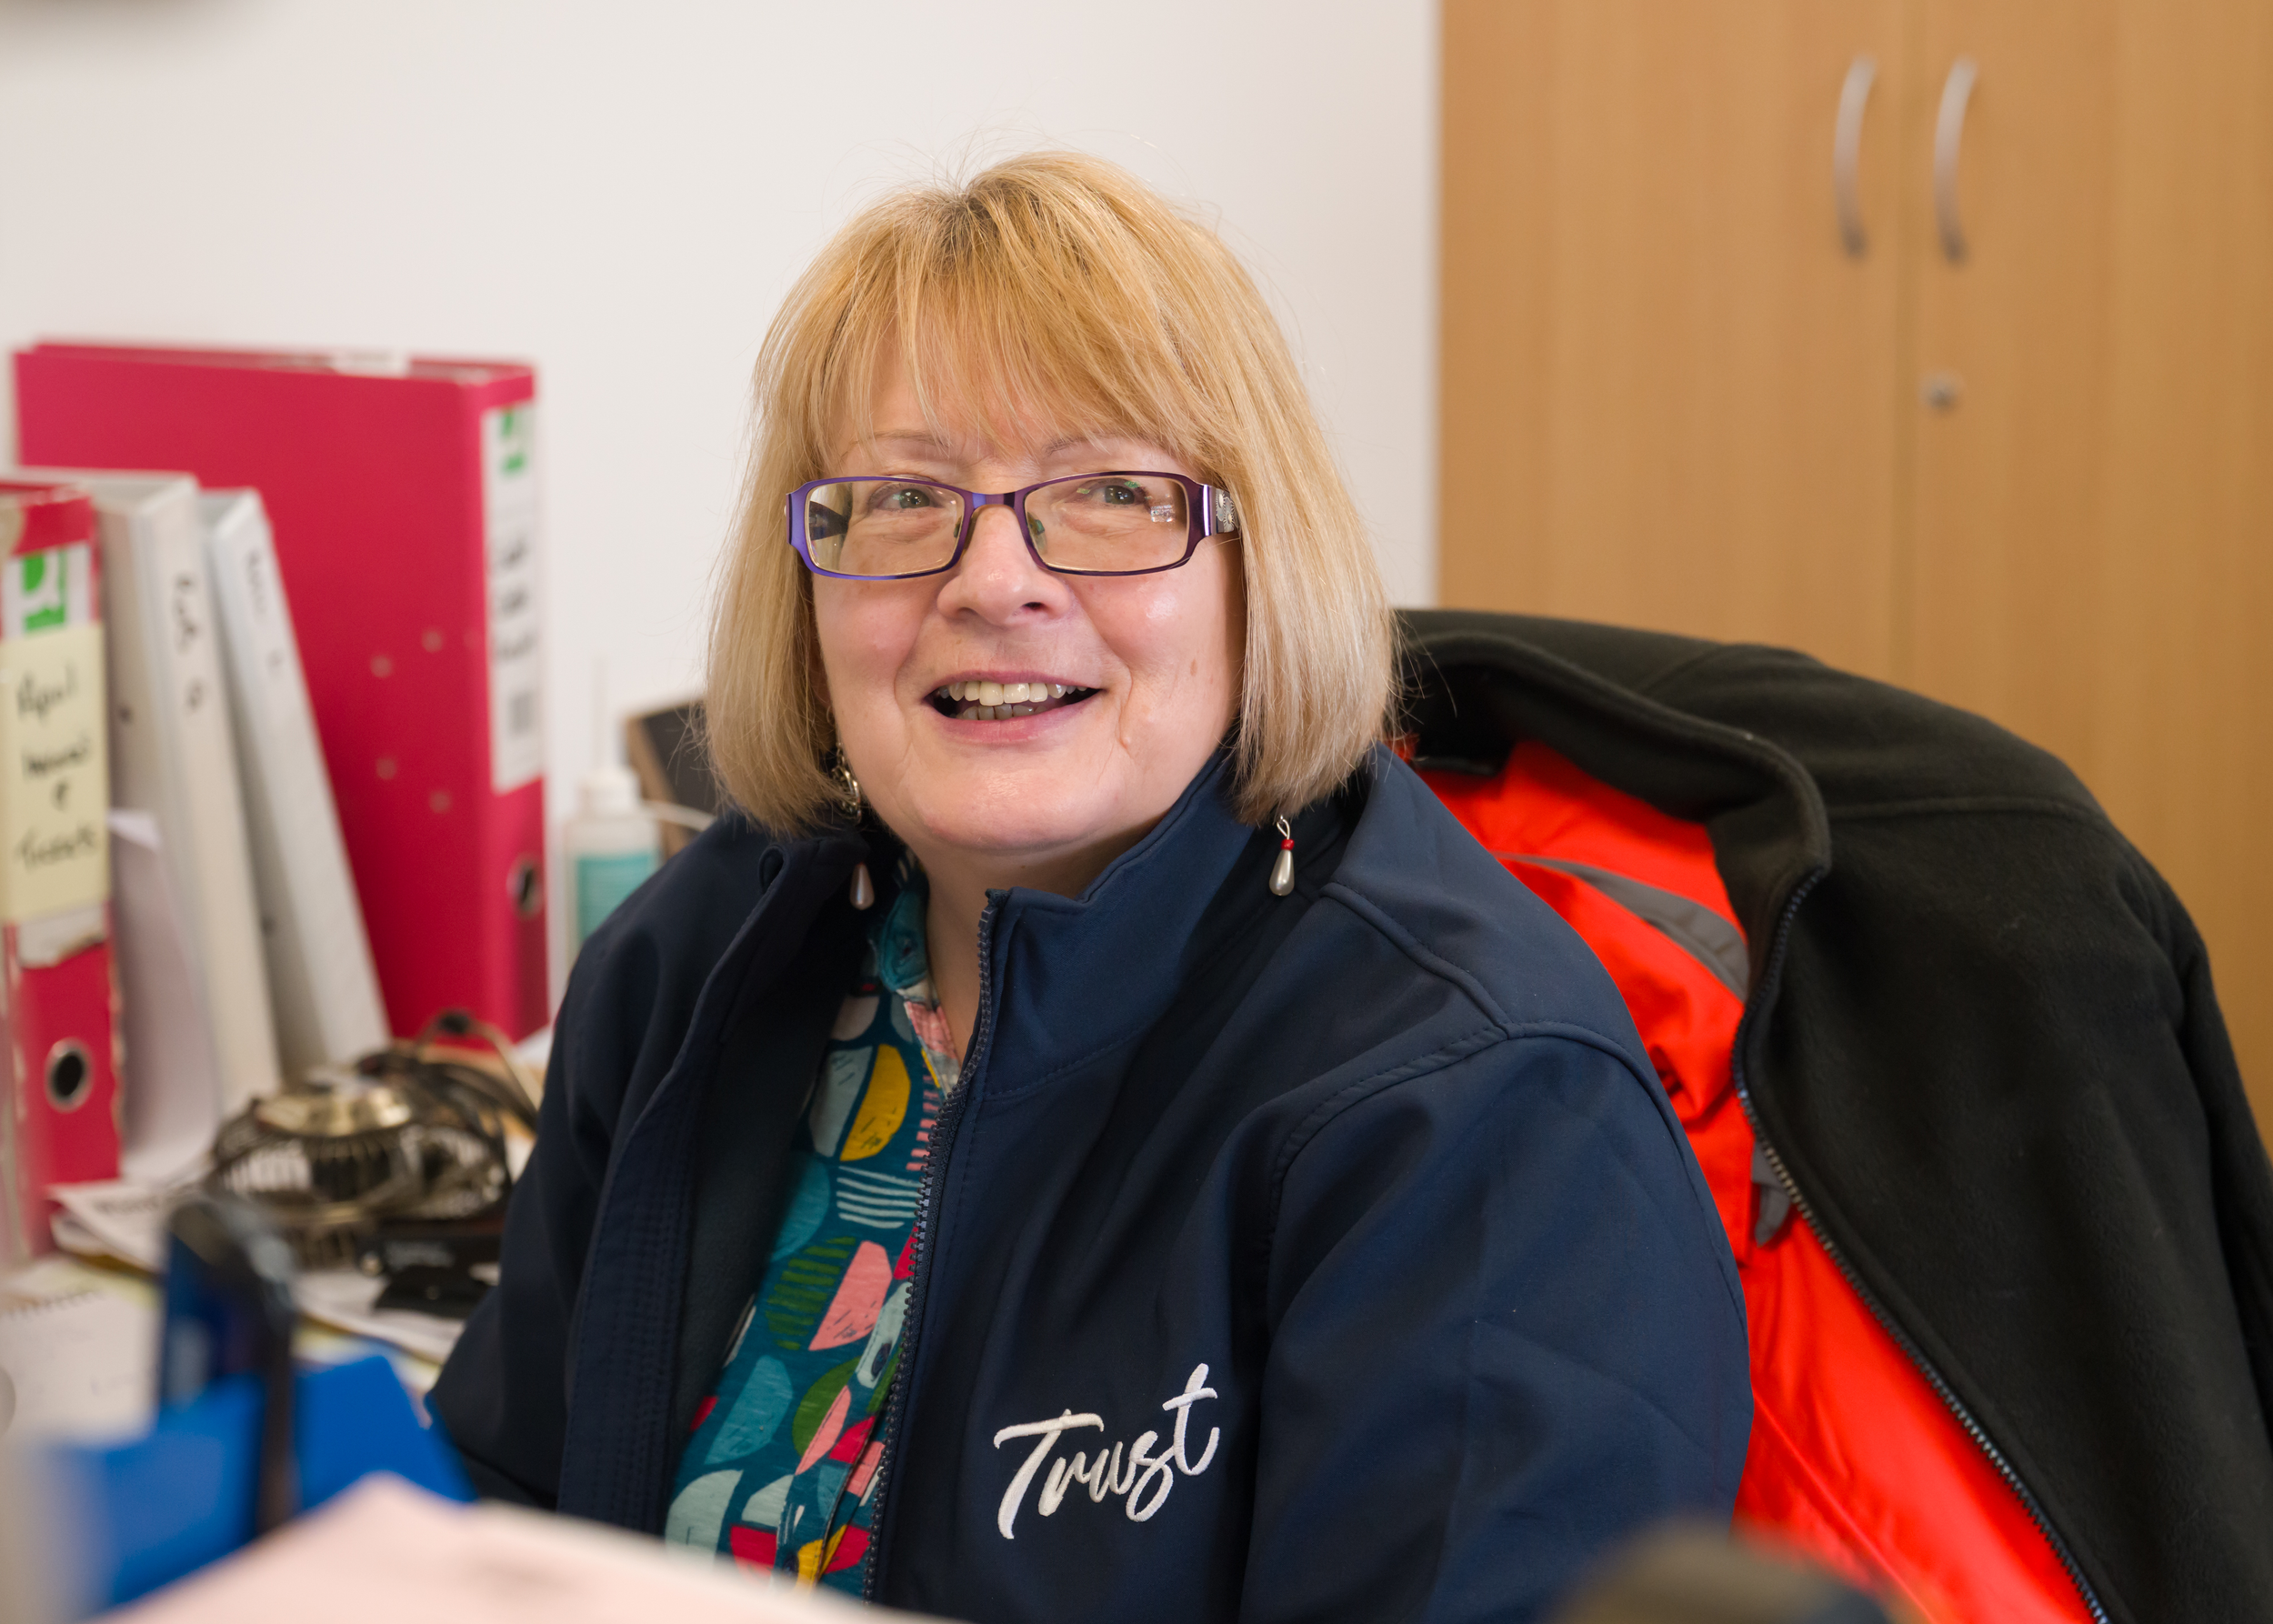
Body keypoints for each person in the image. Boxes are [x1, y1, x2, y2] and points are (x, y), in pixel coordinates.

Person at [430, 151, 1749, 1623]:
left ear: (1261, 561)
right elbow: (499, 1525)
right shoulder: (696, 963)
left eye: (1114, 491)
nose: (995, 580)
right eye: (901, 499)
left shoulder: (1481, 1115)